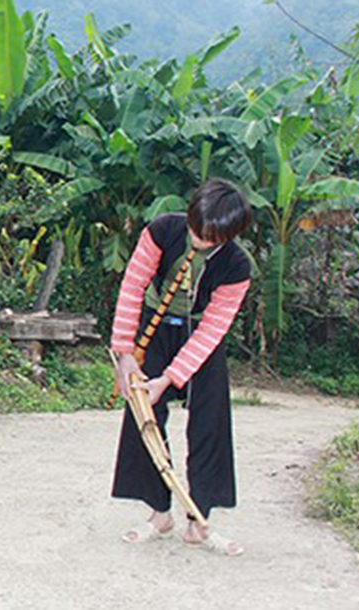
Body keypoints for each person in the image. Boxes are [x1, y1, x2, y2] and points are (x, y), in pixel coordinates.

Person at [110, 178, 253, 556]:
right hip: (154, 330)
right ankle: (160, 514)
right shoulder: (162, 230)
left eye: (209, 237)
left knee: (210, 423)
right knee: (144, 415)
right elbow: (132, 287)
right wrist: (125, 353)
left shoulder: (238, 266)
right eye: (195, 229)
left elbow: (213, 329)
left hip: (200, 339)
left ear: (228, 235)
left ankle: (197, 519)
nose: (198, 239)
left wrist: (171, 377)